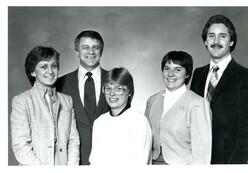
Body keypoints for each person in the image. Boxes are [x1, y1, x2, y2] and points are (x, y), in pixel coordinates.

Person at [190, 14, 248, 164]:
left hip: (229, 161)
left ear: (231, 41)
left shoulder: (246, 77)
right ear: (205, 41)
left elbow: (247, 131)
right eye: (211, 36)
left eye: (222, 36)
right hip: (198, 160)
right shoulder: (198, 74)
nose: (216, 41)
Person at [10, 46, 80, 165]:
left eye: (54, 65)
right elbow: (20, 146)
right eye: (44, 66)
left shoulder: (67, 100)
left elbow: (74, 141)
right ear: (33, 72)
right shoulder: (22, 101)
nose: (50, 71)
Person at [145, 51, 212, 164]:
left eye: (177, 69)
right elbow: (145, 138)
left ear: (187, 74)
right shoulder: (153, 100)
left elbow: (202, 152)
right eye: (167, 68)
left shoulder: (198, 104)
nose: (170, 74)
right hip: (153, 163)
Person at [56, 30, 109, 165]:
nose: (91, 52)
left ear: (101, 51)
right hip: (73, 160)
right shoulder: (60, 84)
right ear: (77, 51)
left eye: (95, 47)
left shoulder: (114, 81)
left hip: (109, 158)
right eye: (85, 47)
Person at [89, 67, 152, 165]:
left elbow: (140, 163)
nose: (112, 93)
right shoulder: (99, 122)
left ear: (129, 92)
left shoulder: (139, 122)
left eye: (119, 89)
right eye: (108, 88)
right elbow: (95, 161)